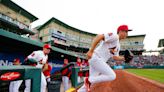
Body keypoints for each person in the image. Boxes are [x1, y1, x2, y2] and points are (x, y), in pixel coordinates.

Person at [78, 25, 132, 92]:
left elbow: (114, 57)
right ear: (120, 31)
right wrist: (91, 51)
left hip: (97, 60)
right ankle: (88, 80)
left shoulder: (118, 45)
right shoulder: (115, 36)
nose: (127, 34)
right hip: (97, 57)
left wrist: (124, 58)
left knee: (91, 83)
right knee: (112, 75)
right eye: (126, 31)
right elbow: (99, 36)